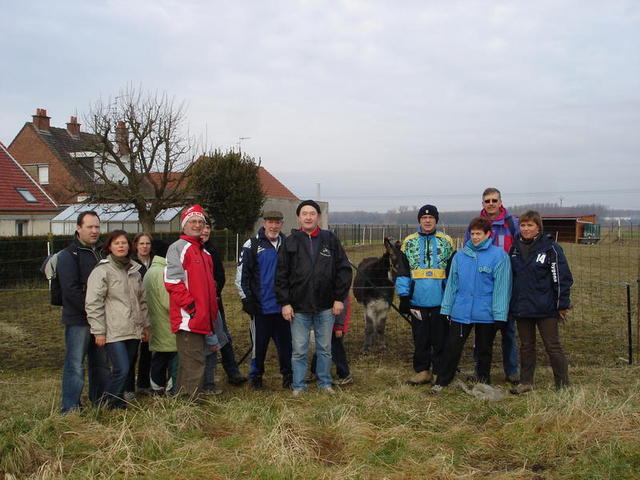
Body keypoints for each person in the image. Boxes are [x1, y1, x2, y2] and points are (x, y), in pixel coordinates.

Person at [276, 200, 352, 395]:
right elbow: (281, 275)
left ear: (318, 217)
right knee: (299, 349)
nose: (308, 217)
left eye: (312, 213)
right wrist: (285, 303)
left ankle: (324, 383)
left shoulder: (330, 239)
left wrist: (338, 298)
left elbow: (343, 270)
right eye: (304, 214)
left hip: (326, 305)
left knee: (325, 348)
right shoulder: (290, 242)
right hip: (298, 307)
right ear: (299, 217)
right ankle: (299, 385)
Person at [431, 217, 512, 393]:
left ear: (488, 234)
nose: (475, 237)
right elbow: (452, 283)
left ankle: (483, 380)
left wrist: (499, 315)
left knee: (484, 349)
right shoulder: (460, 256)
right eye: (472, 233)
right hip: (461, 310)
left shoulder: (499, 256)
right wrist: (446, 308)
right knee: (452, 347)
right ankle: (442, 380)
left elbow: (501, 288)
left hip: (486, 312)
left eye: (479, 234)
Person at [509, 210, 573, 394]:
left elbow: (562, 277)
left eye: (530, 225)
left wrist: (562, 304)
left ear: (538, 227)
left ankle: (563, 384)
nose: (526, 229)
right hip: (523, 308)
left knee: (552, 346)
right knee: (526, 346)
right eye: (523, 225)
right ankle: (526, 382)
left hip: (546, 308)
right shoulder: (514, 249)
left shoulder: (551, 248)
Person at [85, 230, 150, 408]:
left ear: (130, 246)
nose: (121, 246)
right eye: (116, 243)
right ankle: (106, 404)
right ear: (109, 247)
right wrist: (98, 331)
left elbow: (142, 302)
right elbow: (93, 303)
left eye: (124, 243)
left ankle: (119, 403)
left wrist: (145, 326)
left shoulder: (135, 272)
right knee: (121, 369)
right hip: (114, 330)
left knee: (127, 369)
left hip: (134, 329)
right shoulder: (102, 271)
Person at [57, 210, 110, 414]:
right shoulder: (68, 256)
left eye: (97, 227)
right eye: (90, 227)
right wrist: (93, 313)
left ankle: (100, 400)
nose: (95, 231)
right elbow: (70, 291)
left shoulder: (105, 253)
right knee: (75, 363)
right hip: (78, 319)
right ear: (78, 228)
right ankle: (70, 406)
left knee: (101, 363)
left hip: (101, 320)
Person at [395, 205, 454, 385]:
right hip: (417, 300)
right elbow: (403, 271)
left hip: (440, 300)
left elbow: (453, 273)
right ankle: (422, 371)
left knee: (440, 337)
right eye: (423, 218)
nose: (427, 221)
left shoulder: (447, 241)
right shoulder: (409, 242)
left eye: (431, 218)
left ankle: (438, 371)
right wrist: (404, 297)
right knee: (420, 337)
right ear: (419, 220)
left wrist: (452, 297)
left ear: (436, 220)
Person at [466, 187, 520, 384]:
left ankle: (512, 370)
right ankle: (479, 369)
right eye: (487, 200)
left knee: (508, 329)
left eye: (494, 200)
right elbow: (468, 251)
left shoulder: (511, 224)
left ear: (500, 202)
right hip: (481, 285)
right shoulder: (475, 225)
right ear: (482, 204)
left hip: (507, 283)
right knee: (480, 332)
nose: (491, 204)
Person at [165, 205, 218, 397]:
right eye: (193, 221)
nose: (197, 225)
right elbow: (172, 282)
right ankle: (190, 406)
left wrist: (209, 314)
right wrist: (192, 308)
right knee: (194, 363)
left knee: (189, 363)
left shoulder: (205, 253)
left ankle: (181, 402)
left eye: (200, 222)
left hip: (203, 318)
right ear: (184, 225)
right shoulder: (178, 248)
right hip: (189, 319)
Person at [236, 210, 292, 390]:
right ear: (264, 223)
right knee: (258, 347)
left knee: (286, 346)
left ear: (282, 224)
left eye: (277, 222)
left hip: (283, 308)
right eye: (270, 222)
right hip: (261, 308)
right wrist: (247, 301)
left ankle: (288, 376)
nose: (274, 226)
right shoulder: (251, 245)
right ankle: (256, 377)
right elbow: (241, 276)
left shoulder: (288, 244)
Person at [143, 241, 178, 396]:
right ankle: (171, 388)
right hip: (167, 324)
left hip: (155, 322)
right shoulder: (164, 272)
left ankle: (156, 387)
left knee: (159, 356)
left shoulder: (151, 270)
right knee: (173, 357)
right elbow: (168, 302)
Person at [124, 233, 154, 399]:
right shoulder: (131, 264)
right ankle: (128, 387)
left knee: (148, 349)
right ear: (136, 245)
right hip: (136, 312)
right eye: (142, 243)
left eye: (147, 243)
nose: (145, 246)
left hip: (151, 310)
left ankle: (144, 383)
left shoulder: (156, 262)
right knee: (132, 351)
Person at [309, 294, 353, 385]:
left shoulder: (340, 291)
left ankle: (345, 374)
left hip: (335, 326)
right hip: (327, 324)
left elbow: (342, 309)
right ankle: (315, 371)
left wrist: (338, 327)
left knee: (337, 350)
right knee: (321, 348)